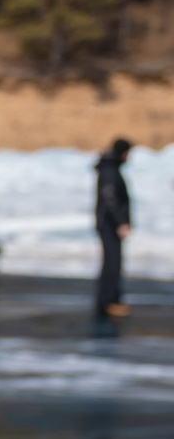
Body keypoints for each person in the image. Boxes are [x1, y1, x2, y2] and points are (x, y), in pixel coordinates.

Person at [96, 137, 133, 319]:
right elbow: (110, 199)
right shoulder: (109, 170)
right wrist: (120, 221)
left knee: (113, 262)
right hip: (109, 223)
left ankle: (111, 301)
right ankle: (108, 302)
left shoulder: (110, 167)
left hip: (108, 222)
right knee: (112, 262)